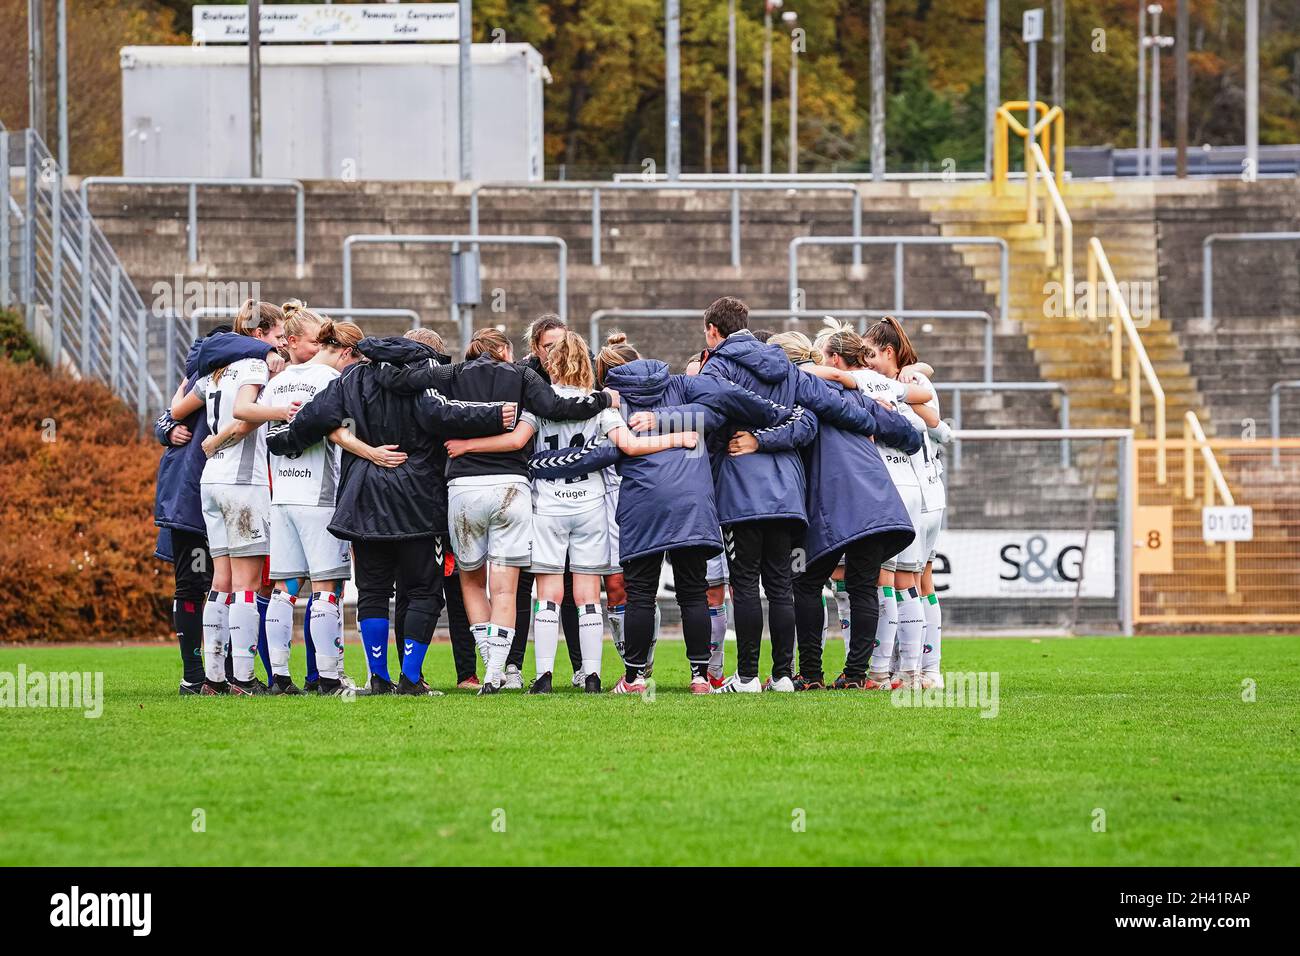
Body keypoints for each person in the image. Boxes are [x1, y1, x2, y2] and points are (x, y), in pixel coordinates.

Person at [532, 332, 790, 694]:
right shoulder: (682, 385)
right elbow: (716, 413)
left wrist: (540, 464)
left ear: (606, 373)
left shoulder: (612, 401)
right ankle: (700, 677)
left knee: (640, 593)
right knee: (694, 592)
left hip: (644, 501)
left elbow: (608, 452)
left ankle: (636, 679)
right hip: (692, 499)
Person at [446, 330, 699, 693]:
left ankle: (545, 675)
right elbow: (628, 445)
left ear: (551, 363)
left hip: (548, 504)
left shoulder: (541, 403)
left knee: (548, 595)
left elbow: (517, 441)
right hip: (590, 504)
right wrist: (680, 437)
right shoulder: (601, 404)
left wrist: (469, 445)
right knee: (586, 595)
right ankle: (591, 676)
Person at [371, 327, 618, 694]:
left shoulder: (452, 374)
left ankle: (493, 666)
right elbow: (551, 409)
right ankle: (506, 673)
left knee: (471, 580)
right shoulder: (523, 376)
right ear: (504, 350)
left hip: (465, 489)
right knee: (513, 591)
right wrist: (601, 400)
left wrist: (382, 367)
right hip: (516, 490)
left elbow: (415, 387)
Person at [268, 334, 515, 695]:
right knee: (424, 592)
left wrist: (281, 439)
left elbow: (311, 419)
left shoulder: (352, 380)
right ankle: (411, 679)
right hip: (418, 501)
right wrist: (495, 414)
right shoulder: (426, 378)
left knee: (372, 591)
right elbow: (444, 414)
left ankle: (379, 678)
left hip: (364, 500)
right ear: (426, 353)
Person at [697, 296, 918, 693]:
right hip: (852, 498)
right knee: (840, 585)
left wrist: (753, 442)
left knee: (771, 583)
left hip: (804, 500)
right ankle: (834, 675)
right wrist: (888, 426)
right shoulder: (809, 384)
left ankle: (781, 674)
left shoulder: (730, 371)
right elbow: (845, 413)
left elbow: (796, 425)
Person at [748, 329, 921, 689]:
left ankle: (810, 675)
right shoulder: (853, 395)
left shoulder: (793, 398)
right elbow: (910, 436)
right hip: (874, 500)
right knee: (862, 585)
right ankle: (856, 675)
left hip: (829, 505)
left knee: (806, 582)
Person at [168, 300, 295, 695]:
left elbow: (176, 408)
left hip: (211, 483)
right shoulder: (257, 365)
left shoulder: (215, 371)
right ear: (259, 335)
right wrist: (281, 411)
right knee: (247, 583)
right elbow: (244, 411)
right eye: (275, 337)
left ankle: (213, 678)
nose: (280, 347)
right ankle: (243, 676)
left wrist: (211, 442)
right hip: (242, 482)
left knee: (220, 582)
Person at [262, 312, 392, 694]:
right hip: (319, 497)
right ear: (345, 353)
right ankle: (330, 677)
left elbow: (271, 431)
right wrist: (372, 453)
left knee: (285, 588)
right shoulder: (332, 380)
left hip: (282, 495)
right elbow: (335, 432)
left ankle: (280, 678)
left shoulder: (280, 380)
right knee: (326, 588)